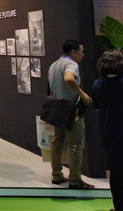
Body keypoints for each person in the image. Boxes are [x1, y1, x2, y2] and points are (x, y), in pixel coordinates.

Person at [47, 40, 94, 190]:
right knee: (75, 145)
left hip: (57, 107)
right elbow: (68, 78)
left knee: (57, 142)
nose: (83, 54)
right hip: (72, 109)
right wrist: (82, 94)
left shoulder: (54, 65)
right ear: (73, 52)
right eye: (81, 51)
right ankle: (75, 180)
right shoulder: (71, 64)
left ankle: (56, 174)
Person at [91, 50, 123, 210]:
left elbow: (96, 106)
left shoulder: (98, 85)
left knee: (115, 173)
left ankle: (118, 206)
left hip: (109, 133)